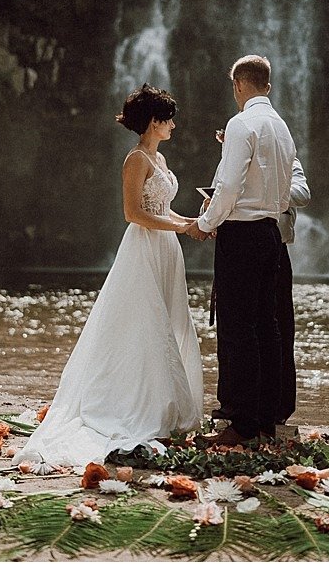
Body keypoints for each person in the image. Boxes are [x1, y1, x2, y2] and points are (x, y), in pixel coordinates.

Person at [14, 85, 204, 470]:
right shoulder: (136, 160)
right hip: (145, 248)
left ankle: (164, 402)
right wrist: (182, 229)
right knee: (143, 325)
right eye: (168, 118)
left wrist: (193, 222)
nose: (173, 125)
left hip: (166, 247)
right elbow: (134, 213)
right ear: (154, 121)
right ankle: (139, 405)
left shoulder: (160, 157)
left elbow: (163, 208)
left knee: (167, 321)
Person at [198, 55, 310, 448]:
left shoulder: (241, 123)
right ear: (267, 85)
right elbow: (282, 191)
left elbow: (228, 187)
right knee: (268, 327)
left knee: (238, 327)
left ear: (239, 85)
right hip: (270, 235)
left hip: (242, 234)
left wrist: (206, 222)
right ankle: (265, 420)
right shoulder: (282, 128)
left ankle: (242, 424)